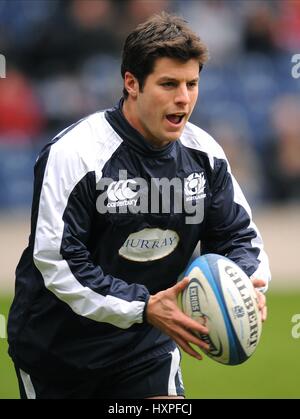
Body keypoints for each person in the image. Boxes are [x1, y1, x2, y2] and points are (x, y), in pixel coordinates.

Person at [7, 12, 270, 399]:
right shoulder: (76, 155)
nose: (183, 97)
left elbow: (238, 236)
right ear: (131, 83)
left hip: (145, 348)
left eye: (192, 83)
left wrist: (244, 285)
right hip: (57, 353)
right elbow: (58, 262)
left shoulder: (205, 156)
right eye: (168, 84)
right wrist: (143, 306)